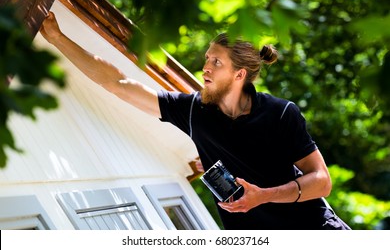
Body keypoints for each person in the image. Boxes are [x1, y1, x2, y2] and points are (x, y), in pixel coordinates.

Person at [40, 12, 351, 230]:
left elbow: (322, 182)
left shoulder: (281, 113)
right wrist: (56, 38)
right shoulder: (193, 110)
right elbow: (117, 83)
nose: (206, 68)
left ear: (239, 74)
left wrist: (263, 196)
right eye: (207, 59)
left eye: (216, 62)